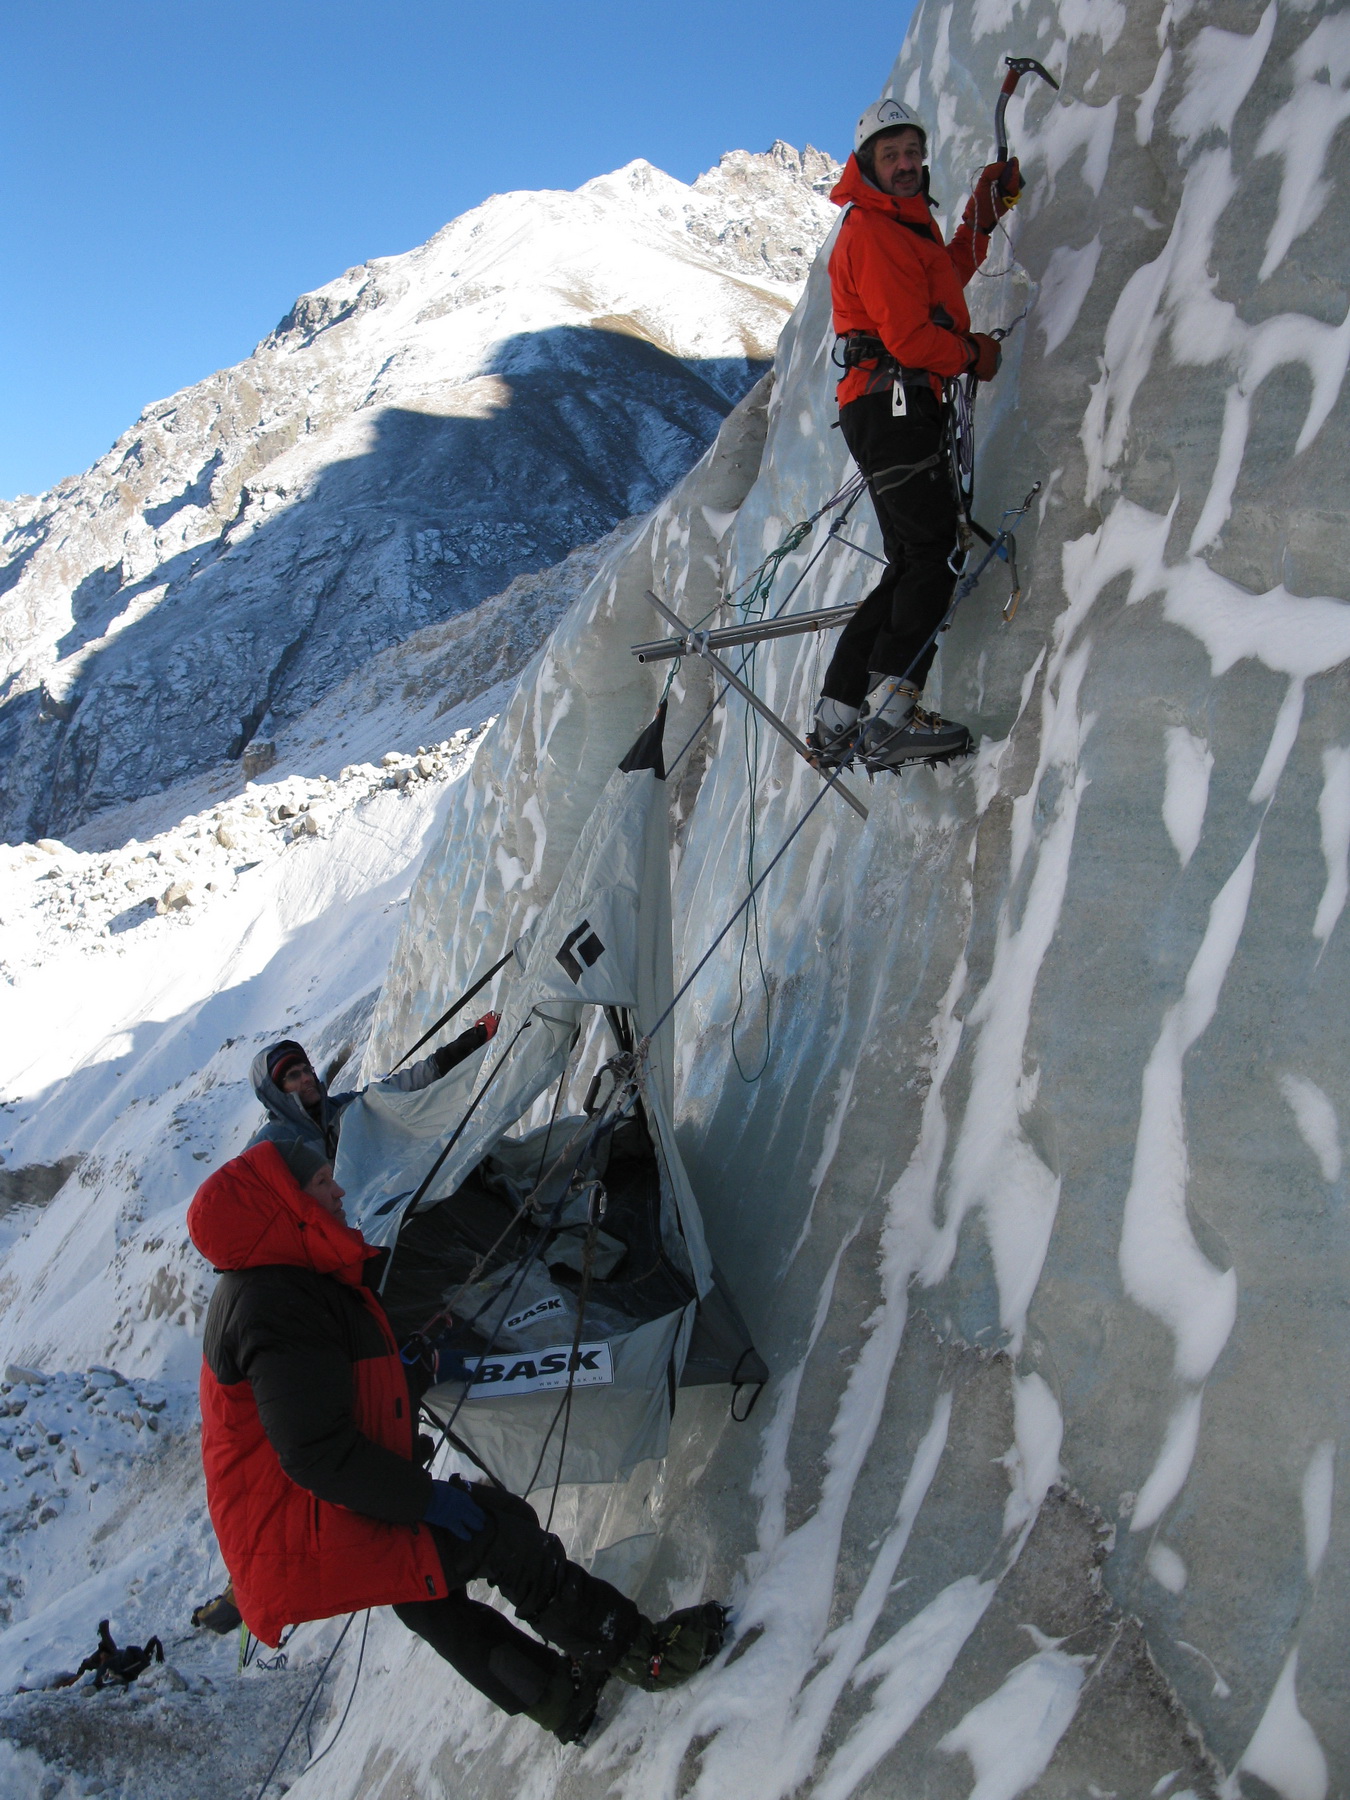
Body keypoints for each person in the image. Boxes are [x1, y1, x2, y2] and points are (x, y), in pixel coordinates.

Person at [187, 1133, 726, 1744]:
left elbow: (329, 1395)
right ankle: (644, 1654)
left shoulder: (276, 1283)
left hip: (285, 1533)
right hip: (303, 1529)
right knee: (496, 1531)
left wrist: (409, 1366)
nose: (337, 1190)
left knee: (424, 1589)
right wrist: (426, 1501)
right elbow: (316, 1452)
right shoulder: (273, 1303)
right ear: (285, 1203)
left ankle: (561, 1700)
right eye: (320, 1183)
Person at [806, 97, 1021, 770]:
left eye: (911, 152)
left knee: (912, 559)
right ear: (868, 163)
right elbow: (908, 334)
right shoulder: (871, 230)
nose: (904, 164)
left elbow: (942, 282)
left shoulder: (905, 228)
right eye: (890, 155)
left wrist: (979, 220)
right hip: (892, 400)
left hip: (887, 405)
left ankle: (839, 713)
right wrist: (971, 355)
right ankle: (894, 713)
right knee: (933, 555)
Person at [249, 1014, 499, 1165]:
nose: (306, 1078)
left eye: (307, 1070)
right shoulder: (271, 1145)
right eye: (294, 1076)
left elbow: (399, 1087)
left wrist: (457, 1050)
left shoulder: (342, 1108)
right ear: (276, 1091)